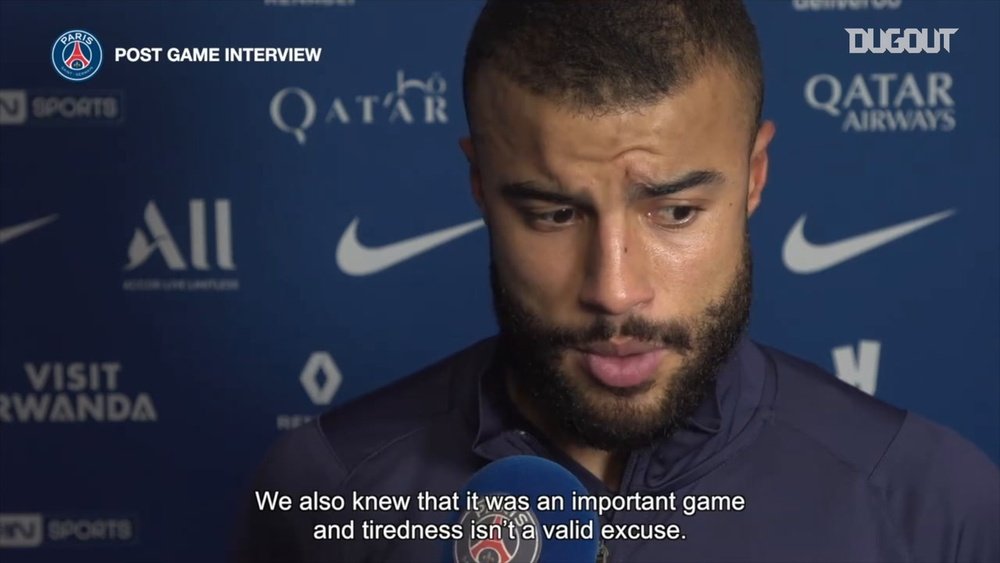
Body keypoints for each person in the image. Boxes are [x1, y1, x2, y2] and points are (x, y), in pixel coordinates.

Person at [232, 1, 999, 561]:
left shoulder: (929, 504)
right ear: (480, 183)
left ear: (754, 177)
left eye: (674, 211)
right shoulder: (326, 492)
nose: (616, 291)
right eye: (555, 214)